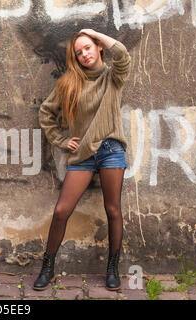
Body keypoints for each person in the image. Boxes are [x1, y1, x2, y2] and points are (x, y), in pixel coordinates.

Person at [34, 29, 131, 291]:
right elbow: (46, 112)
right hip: (82, 155)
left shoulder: (113, 77)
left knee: (113, 210)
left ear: (99, 47)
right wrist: (61, 140)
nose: (84, 54)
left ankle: (113, 268)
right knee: (61, 211)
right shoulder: (69, 82)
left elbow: (122, 54)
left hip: (111, 150)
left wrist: (93, 32)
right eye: (78, 52)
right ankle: (48, 266)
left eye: (88, 47)